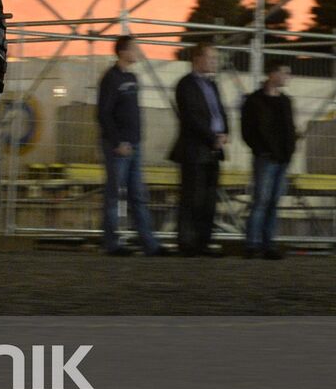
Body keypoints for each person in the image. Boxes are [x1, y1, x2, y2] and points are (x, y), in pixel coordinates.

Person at [96, 35, 165, 256]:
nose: (137, 52)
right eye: (134, 48)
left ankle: (149, 244)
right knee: (115, 194)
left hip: (134, 145)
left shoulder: (132, 78)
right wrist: (117, 141)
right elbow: (103, 113)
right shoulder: (111, 79)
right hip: (120, 147)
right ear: (123, 52)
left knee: (137, 195)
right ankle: (112, 243)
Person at [169, 42, 228, 257]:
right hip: (195, 149)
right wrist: (212, 137)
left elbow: (219, 111)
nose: (214, 62)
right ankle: (187, 242)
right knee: (192, 197)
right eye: (211, 58)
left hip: (213, 149)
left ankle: (203, 242)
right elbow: (191, 117)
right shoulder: (185, 85)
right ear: (197, 59)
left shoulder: (212, 85)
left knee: (209, 200)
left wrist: (224, 133)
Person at [240, 61, 296, 260]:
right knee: (261, 202)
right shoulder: (255, 101)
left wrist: (289, 151)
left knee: (272, 202)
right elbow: (247, 130)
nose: (288, 76)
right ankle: (253, 244)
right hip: (266, 158)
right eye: (284, 72)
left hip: (281, 159)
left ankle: (267, 243)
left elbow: (289, 129)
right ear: (272, 74)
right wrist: (261, 149)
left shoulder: (285, 101)